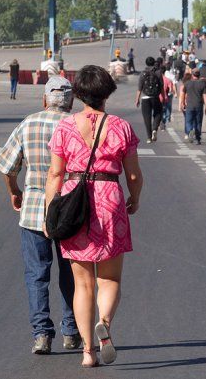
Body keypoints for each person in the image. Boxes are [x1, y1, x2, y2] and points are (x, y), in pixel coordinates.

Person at [44, 65, 143, 368]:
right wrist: (134, 198)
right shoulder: (121, 127)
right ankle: (104, 323)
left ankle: (88, 352)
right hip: (109, 198)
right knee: (110, 278)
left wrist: (51, 214)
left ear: (79, 94)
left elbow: (55, 173)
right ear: (107, 93)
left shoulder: (64, 127)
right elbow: (134, 175)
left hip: (76, 201)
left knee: (82, 283)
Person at [0, 76, 81, 355]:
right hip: (70, 210)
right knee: (71, 273)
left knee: (36, 274)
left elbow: (8, 167)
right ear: (71, 101)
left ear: (44, 99)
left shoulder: (28, 123)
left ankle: (42, 335)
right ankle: (71, 331)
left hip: (33, 209)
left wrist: (15, 191)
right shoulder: (78, 125)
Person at [135, 57, 164, 143]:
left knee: (147, 118)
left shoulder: (143, 73)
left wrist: (137, 99)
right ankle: (154, 129)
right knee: (158, 113)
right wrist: (163, 96)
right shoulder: (158, 73)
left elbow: (139, 88)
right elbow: (161, 87)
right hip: (155, 97)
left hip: (145, 98)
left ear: (146, 63)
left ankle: (149, 138)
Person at [181, 69, 206, 145]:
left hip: (189, 105)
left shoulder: (187, 83)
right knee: (198, 122)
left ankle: (190, 131)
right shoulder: (202, 84)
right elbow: (205, 95)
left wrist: (182, 103)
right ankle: (197, 138)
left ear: (192, 75)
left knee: (188, 121)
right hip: (199, 105)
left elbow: (183, 93)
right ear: (199, 75)